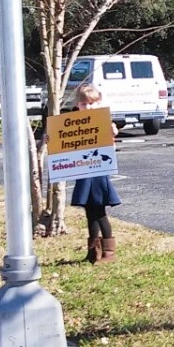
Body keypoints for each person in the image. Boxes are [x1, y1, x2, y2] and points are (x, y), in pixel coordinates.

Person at [68, 83, 120, 264]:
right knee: (89, 211)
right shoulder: (70, 124)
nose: (88, 107)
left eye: (91, 103)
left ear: (99, 103)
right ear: (78, 105)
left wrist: (113, 133)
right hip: (83, 174)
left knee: (99, 210)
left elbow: (112, 148)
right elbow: (62, 145)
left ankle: (108, 251)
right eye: (84, 104)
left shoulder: (104, 122)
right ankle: (93, 251)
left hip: (98, 173)